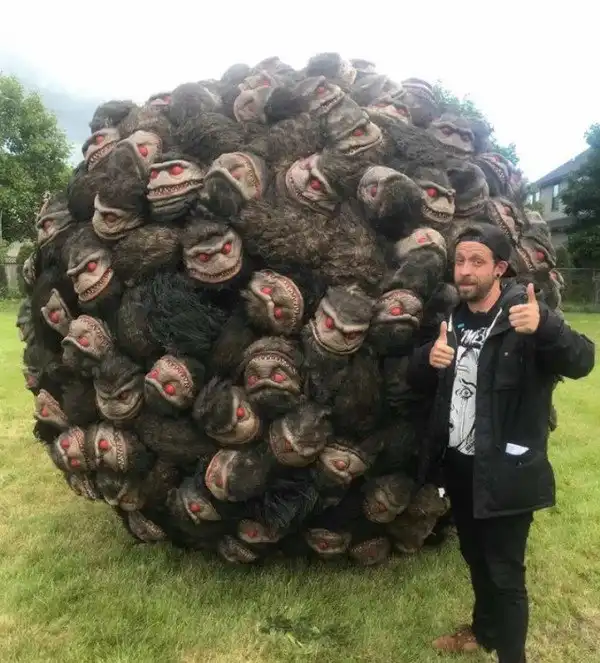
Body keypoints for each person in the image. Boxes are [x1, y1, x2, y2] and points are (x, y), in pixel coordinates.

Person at [406, 223, 595, 663]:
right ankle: (482, 632)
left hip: (508, 469)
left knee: (506, 574)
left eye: (477, 261)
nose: (465, 271)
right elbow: (416, 379)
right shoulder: (453, 318)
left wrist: (546, 327)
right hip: (460, 465)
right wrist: (427, 359)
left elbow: (583, 360)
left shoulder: (523, 314)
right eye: (460, 261)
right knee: (474, 556)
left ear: (500, 268)